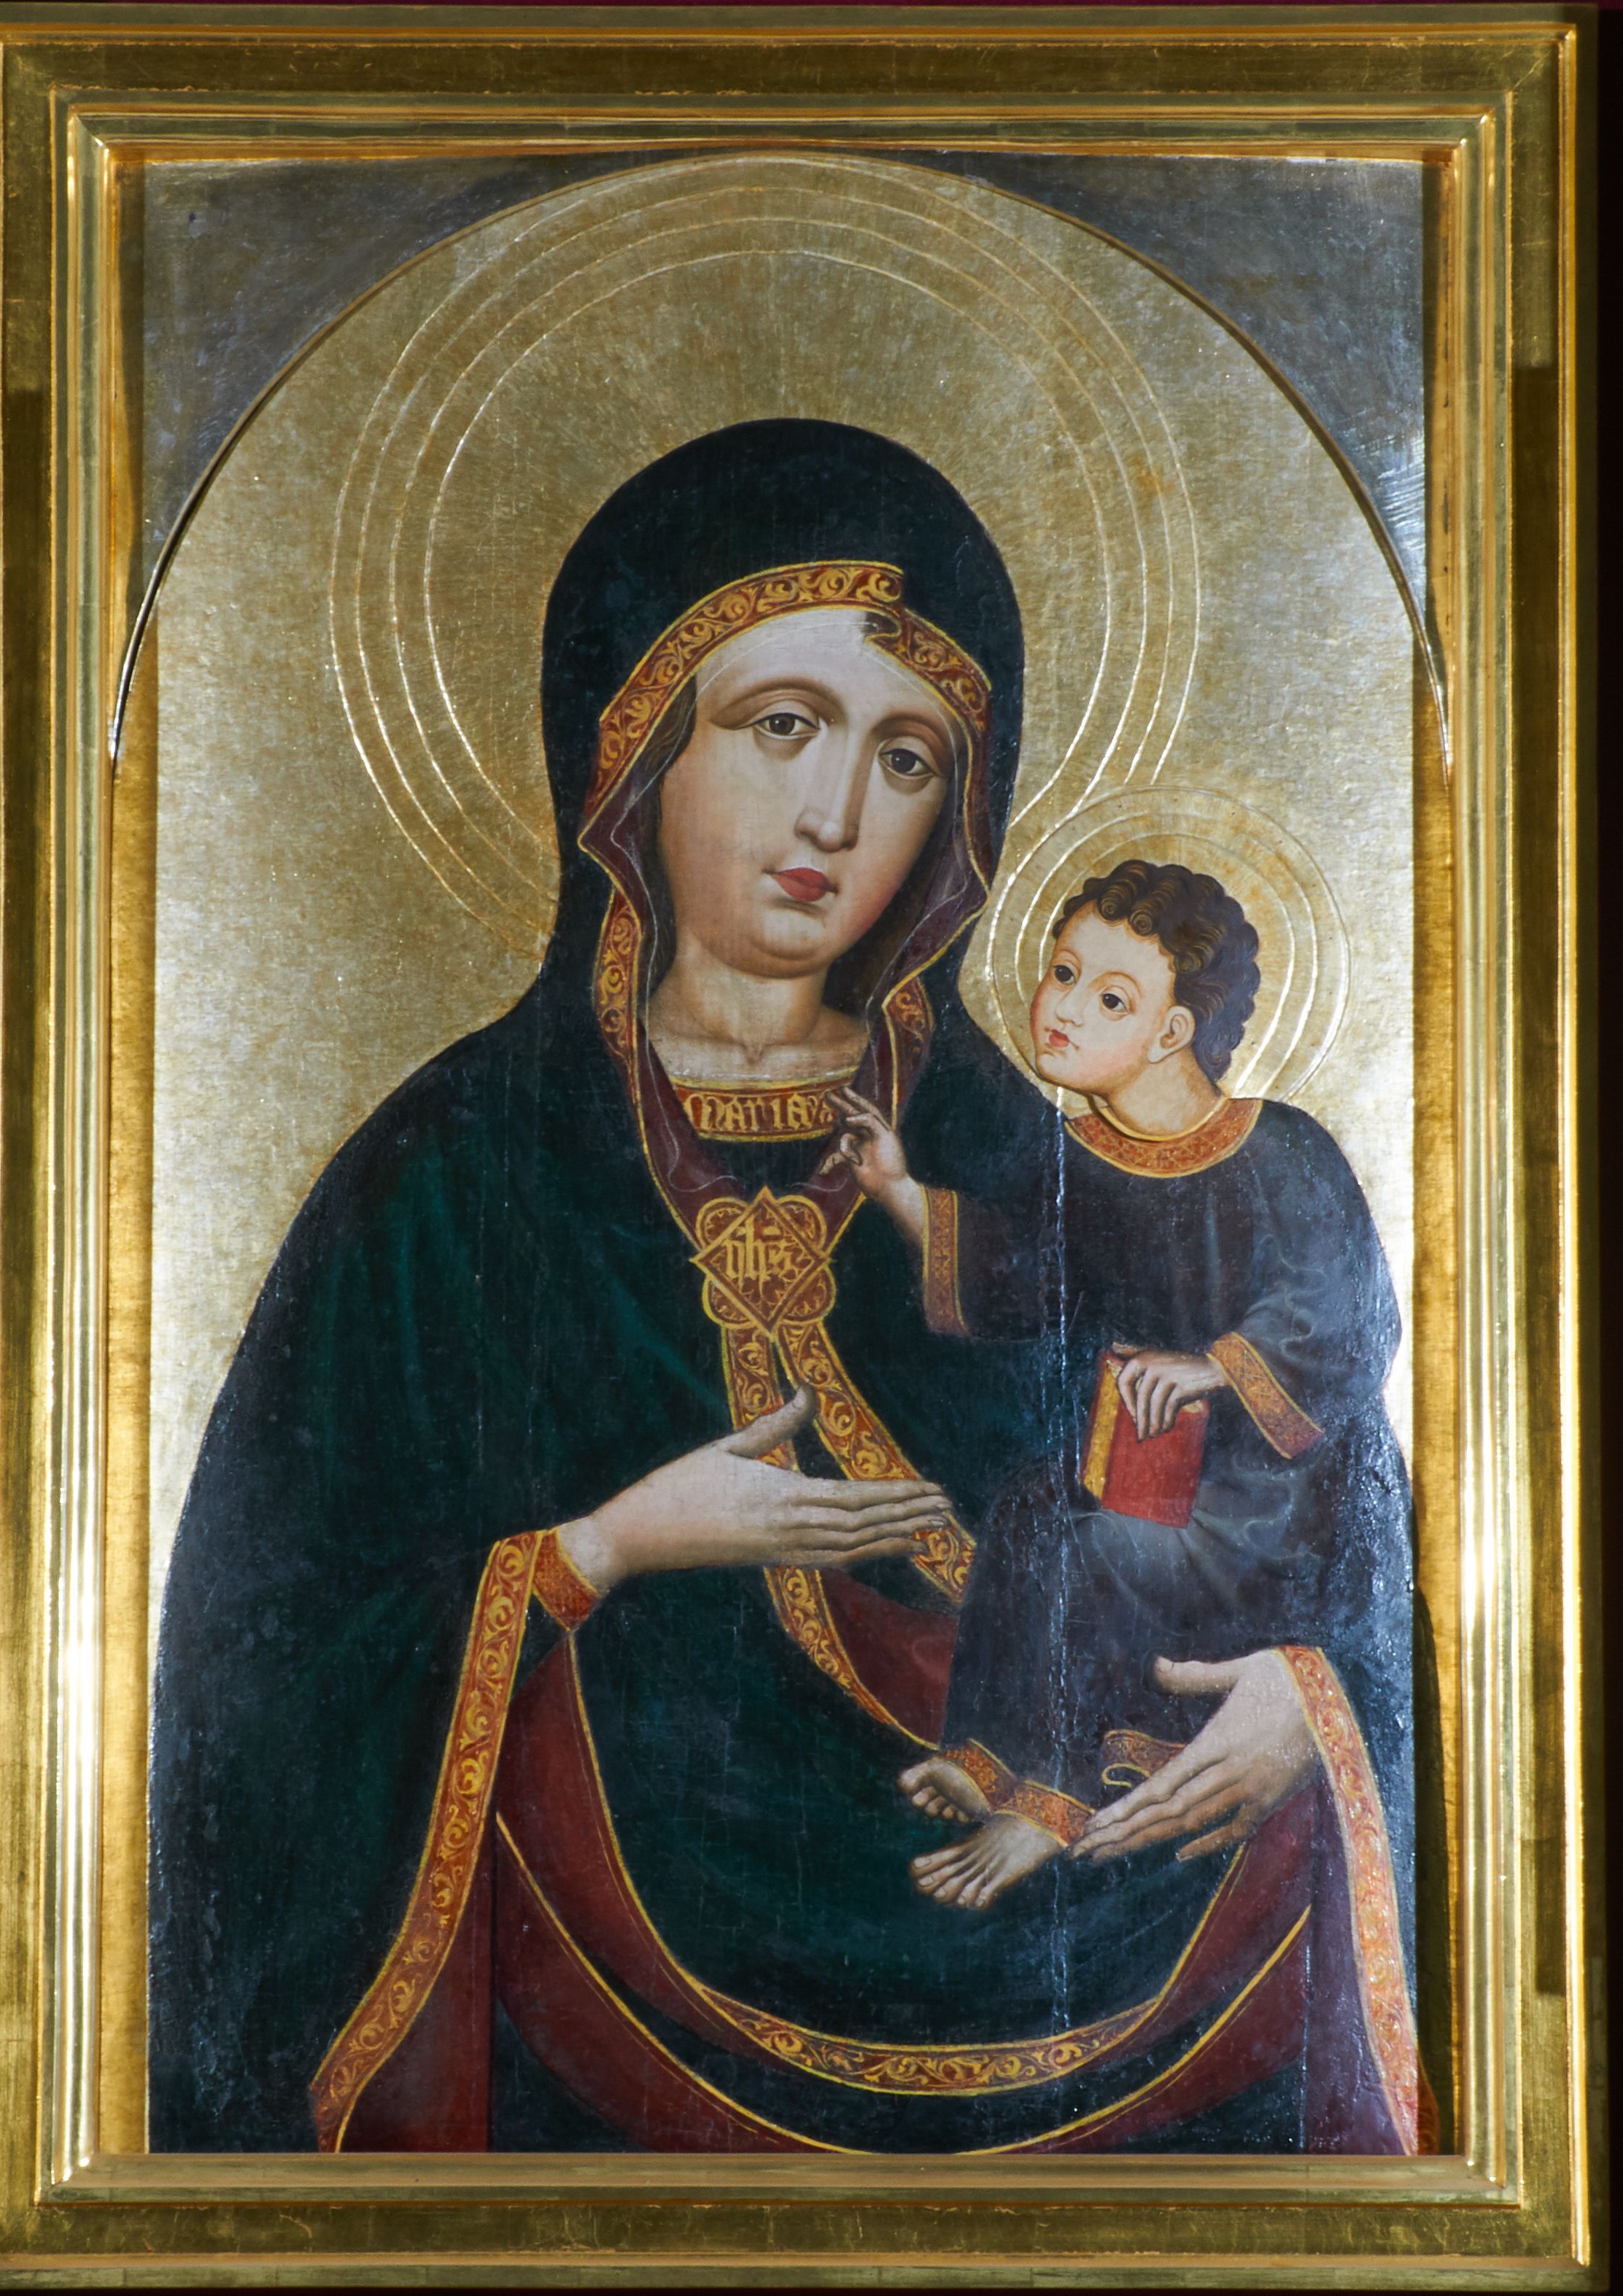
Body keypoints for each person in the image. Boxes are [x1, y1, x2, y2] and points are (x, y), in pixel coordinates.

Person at [150, 422, 1419, 2159]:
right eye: (777, 725)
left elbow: (1321, 1496)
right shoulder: (447, 1173)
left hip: (1097, 1910)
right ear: (632, 752)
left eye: (904, 756)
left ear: (962, 814)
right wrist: (600, 1551)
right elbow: (263, 1681)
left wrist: (1316, 1701)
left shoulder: (1052, 1161)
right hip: (593, 1986)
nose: (834, 814)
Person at [824, 859, 1415, 1931]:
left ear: (1172, 1031)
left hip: (1276, 1505)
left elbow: (1347, 1314)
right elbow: (1019, 1276)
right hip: (1149, 1459)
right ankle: (989, 1759)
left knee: (1100, 1552)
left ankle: (1051, 1805)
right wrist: (900, 1191)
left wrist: (1216, 1367)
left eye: (1108, 997)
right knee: (1032, 1510)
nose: (1060, 1007)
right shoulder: (1082, 1160)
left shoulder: (1280, 1148)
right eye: (1061, 973)